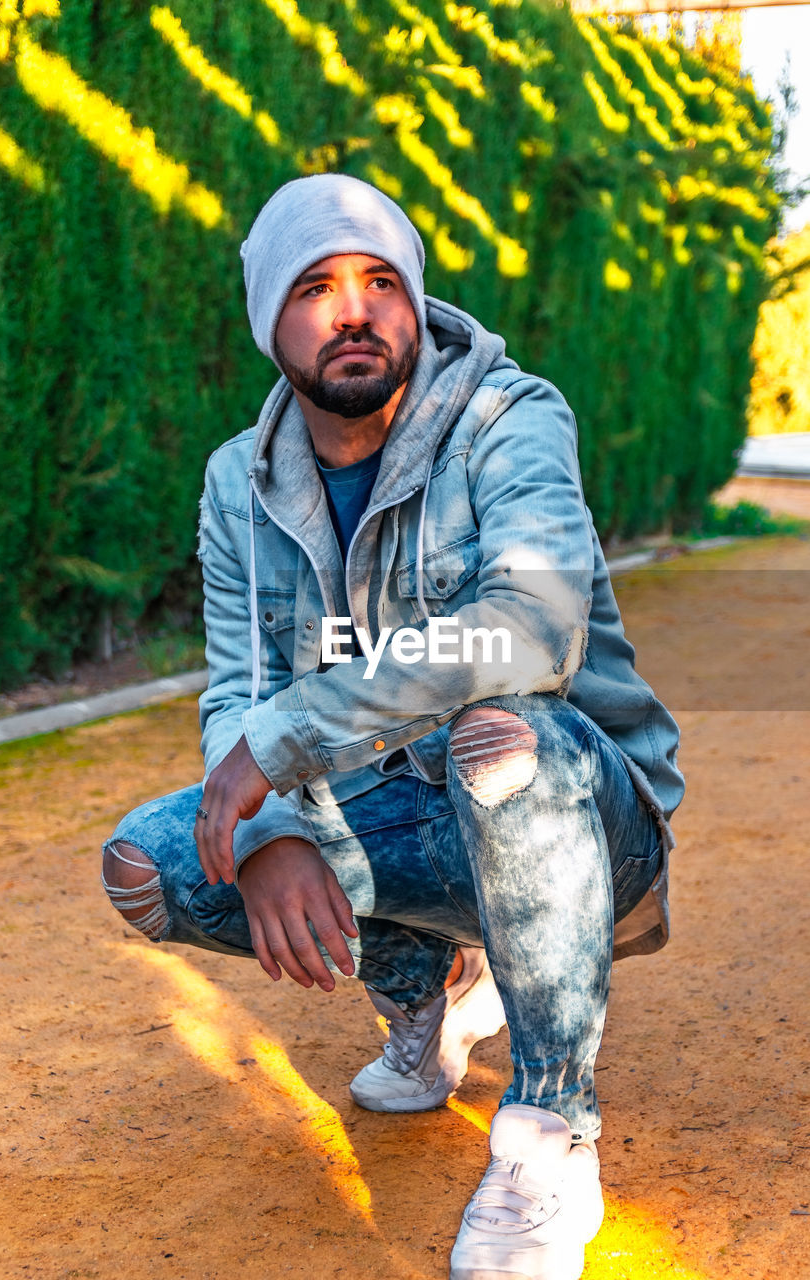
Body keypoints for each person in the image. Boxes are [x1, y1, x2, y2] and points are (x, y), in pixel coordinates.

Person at [102, 173, 684, 1280]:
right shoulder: (240, 481)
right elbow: (236, 686)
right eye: (315, 287)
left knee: (501, 738)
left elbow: (533, 626)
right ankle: (429, 992)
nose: (354, 308)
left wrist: (282, 747)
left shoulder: (507, 417)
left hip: (580, 818)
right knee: (151, 865)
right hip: (390, 809)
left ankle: (549, 1136)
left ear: (415, 302)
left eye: (381, 282)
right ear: (268, 319)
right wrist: (270, 834)